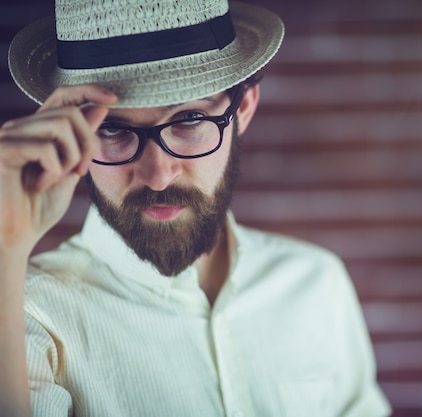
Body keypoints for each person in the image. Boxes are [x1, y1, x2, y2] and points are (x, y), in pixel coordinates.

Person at [0, 0, 391, 416]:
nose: (158, 175)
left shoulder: (316, 284)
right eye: (112, 128)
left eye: (188, 119)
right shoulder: (24, 313)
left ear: (243, 107)